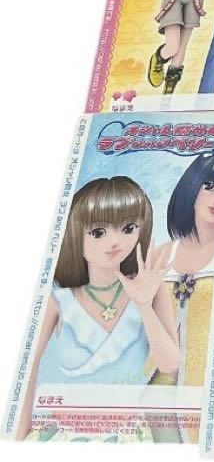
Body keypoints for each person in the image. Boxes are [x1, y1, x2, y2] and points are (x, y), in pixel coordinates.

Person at [17, 177, 177, 440]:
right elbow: (27, 370)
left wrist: (143, 305)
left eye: (128, 228)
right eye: (98, 232)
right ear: (74, 233)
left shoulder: (152, 288)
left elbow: (169, 366)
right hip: (64, 433)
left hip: (128, 435)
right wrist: (17, 439)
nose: (115, 241)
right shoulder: (58, 299)